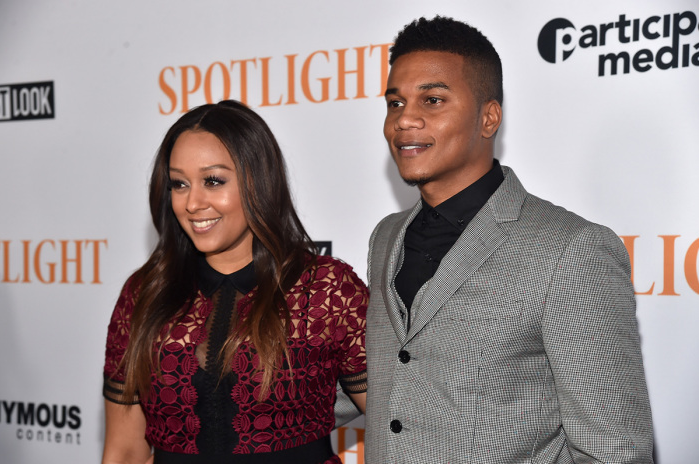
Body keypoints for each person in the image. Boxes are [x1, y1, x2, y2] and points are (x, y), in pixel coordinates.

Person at [362, 16, 654, 463]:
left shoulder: (572, 251)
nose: (406, 120)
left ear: (488, 117)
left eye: (433, 99)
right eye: (395, 103)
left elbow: (614, 450)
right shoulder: (386, 237)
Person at [102, 100, 368, 464]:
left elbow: (402, 428)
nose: (192, 203)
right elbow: (125, 451)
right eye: (179, 184)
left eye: (213, 181)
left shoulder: (327, 289)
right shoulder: (144, 293)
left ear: (258, 181)